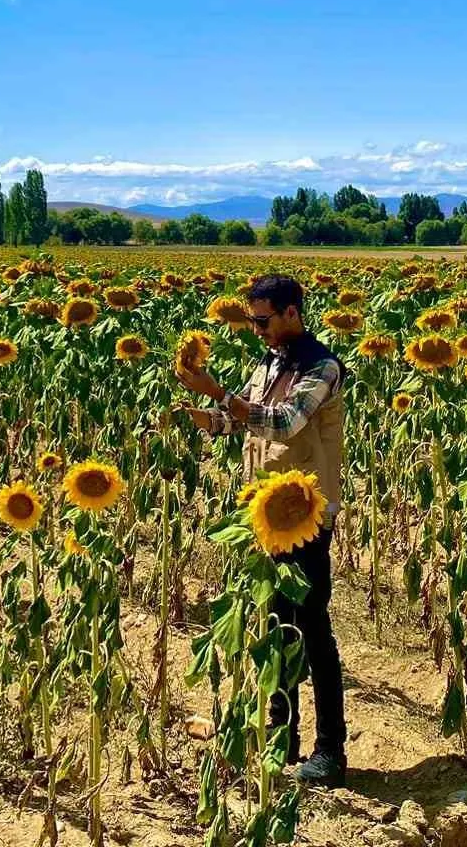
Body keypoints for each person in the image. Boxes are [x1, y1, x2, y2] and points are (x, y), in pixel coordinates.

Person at [176, 273, 348, 787]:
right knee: (274, 623)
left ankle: (331, 750)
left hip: (308, 512)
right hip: (265, 511)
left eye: (262, 320)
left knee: (312, 627)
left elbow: (284, 422)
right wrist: (203, 412)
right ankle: (281, 731)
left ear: (292, 313)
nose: (255, 329)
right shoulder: (270, 362)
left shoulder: (322, 368)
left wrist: (223, 395)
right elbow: (242, 422)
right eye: (252, 320)